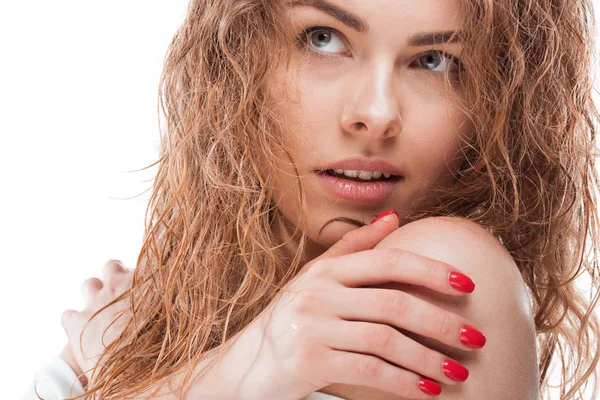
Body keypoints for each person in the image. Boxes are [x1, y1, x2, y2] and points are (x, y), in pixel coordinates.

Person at [22, 0, 600, 398]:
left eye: (434, 61)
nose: (376, 114)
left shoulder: (436, 279)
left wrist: (133, 375)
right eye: (324, 40)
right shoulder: (162, 308)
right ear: (236, 56)